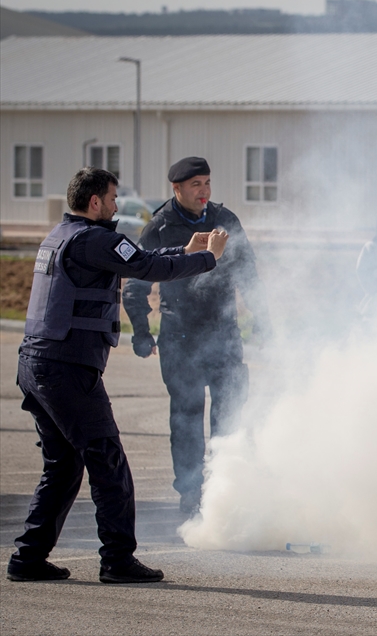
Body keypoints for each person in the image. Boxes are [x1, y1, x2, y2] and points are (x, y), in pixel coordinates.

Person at [7, 167, 226, 584]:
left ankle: (28, 558)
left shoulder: (62, 235)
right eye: (111, 199)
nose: (115, 205)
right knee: (108, 463)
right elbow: (147, 267)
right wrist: (208, 258)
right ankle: (117, 560)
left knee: (63, 466)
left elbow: (137, 259)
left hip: (38, 365)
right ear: (95, 202)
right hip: (67, 369)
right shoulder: (94, 239)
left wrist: (185, 248)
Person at [122, 156, 271, 514]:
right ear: (177, 189)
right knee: (187, 420)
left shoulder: (225, 219)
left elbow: (248, 274)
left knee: (230, 415)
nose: (204, 191)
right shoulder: (160, 227)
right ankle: (191, 496)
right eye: (195, 185)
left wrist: (263, 319)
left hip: (224, 334)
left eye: (207, 183)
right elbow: (136, 284)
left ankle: (227, 492)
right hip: (180, 339)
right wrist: (141, 331)